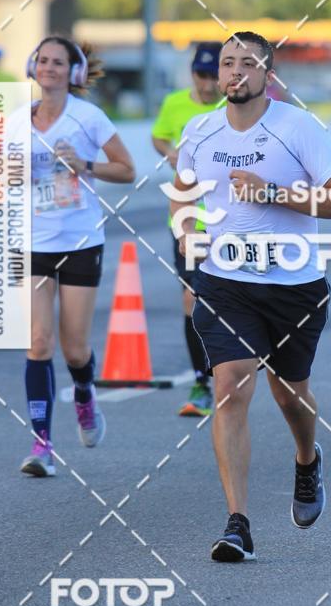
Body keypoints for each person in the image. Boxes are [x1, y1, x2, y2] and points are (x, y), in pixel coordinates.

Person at [171, 31, 331, 562]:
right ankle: (238, 524)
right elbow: (182, 197)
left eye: (246, 63)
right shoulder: (199, 131)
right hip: (224, 282)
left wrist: (274, 193)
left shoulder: (296, 127)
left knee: (289, 395)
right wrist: (188, 233)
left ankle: (306, 459)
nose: (234, 72)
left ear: (266, 74)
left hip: (293, 285)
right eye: (227, 63)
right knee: (230, 386)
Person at [20, 36, 135, 477]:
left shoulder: (88, 118)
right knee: (38, 342)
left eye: (58, 62)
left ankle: (85, 392)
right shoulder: (16, 120)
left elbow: (127, 170)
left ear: (75, 72)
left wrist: (84, 166)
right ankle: (42, 445)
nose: (48, 68)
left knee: (73, 348)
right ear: (33, 67)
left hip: (80, 242)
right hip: (32, 242)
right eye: (43, 61)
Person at [152, 42, 222, 416]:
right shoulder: (175, 104)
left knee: (230, 304)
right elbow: (158, 135)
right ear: (192, 74)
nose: (209, 84)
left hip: (233, 224)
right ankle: (201, 383)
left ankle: (234, 373)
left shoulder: (233, 108)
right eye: (202, 75)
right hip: (188, 220)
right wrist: (171, 155)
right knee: (191, 300)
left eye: (215, 76)